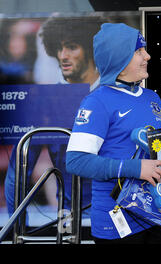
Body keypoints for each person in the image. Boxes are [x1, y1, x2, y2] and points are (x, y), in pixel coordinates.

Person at [65, 23, 161, 244]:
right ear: (119, 62)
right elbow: (76, 161)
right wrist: (134, 168)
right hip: (116, 223)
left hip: (158, 214)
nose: (148, 56)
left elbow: (155, 148)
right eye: (139, 51)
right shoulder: (97, 101)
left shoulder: (152, 97)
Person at [4, 17, 104, 218]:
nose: (63, 56)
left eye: (72, 47)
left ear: (91, 50)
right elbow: (17, 175)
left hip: (120, 215)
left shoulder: (116, 94)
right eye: (58, 49)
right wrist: (15, 230)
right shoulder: (45, 101)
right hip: (73, 217)